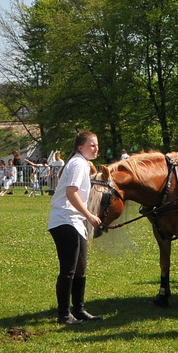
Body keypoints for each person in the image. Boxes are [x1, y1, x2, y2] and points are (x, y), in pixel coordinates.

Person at [47, 130, 103, 325]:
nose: (96, 148)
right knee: (69, 270)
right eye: (92, 145)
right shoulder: (79, 163)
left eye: (96, 144)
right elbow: (71, 193)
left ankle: (79, 310)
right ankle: (64, 314)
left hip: (74, 221)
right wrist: (89, 215)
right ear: (81, 147)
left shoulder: (82, 163)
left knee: (81, 268)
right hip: (65, 220)